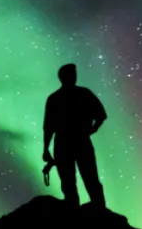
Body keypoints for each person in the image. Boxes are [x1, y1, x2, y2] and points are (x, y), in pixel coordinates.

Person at [42, 63, 106, 209]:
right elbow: (101, 115)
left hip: (64, 143)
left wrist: (46, 149)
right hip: (80, 141)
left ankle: (76, 212)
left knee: (70, 181)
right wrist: (93, 129)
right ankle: (98, 211)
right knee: (85, 179)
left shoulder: (54, 98)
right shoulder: (83, 94)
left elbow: (48, 128)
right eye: (72, 74)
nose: (74, 77)